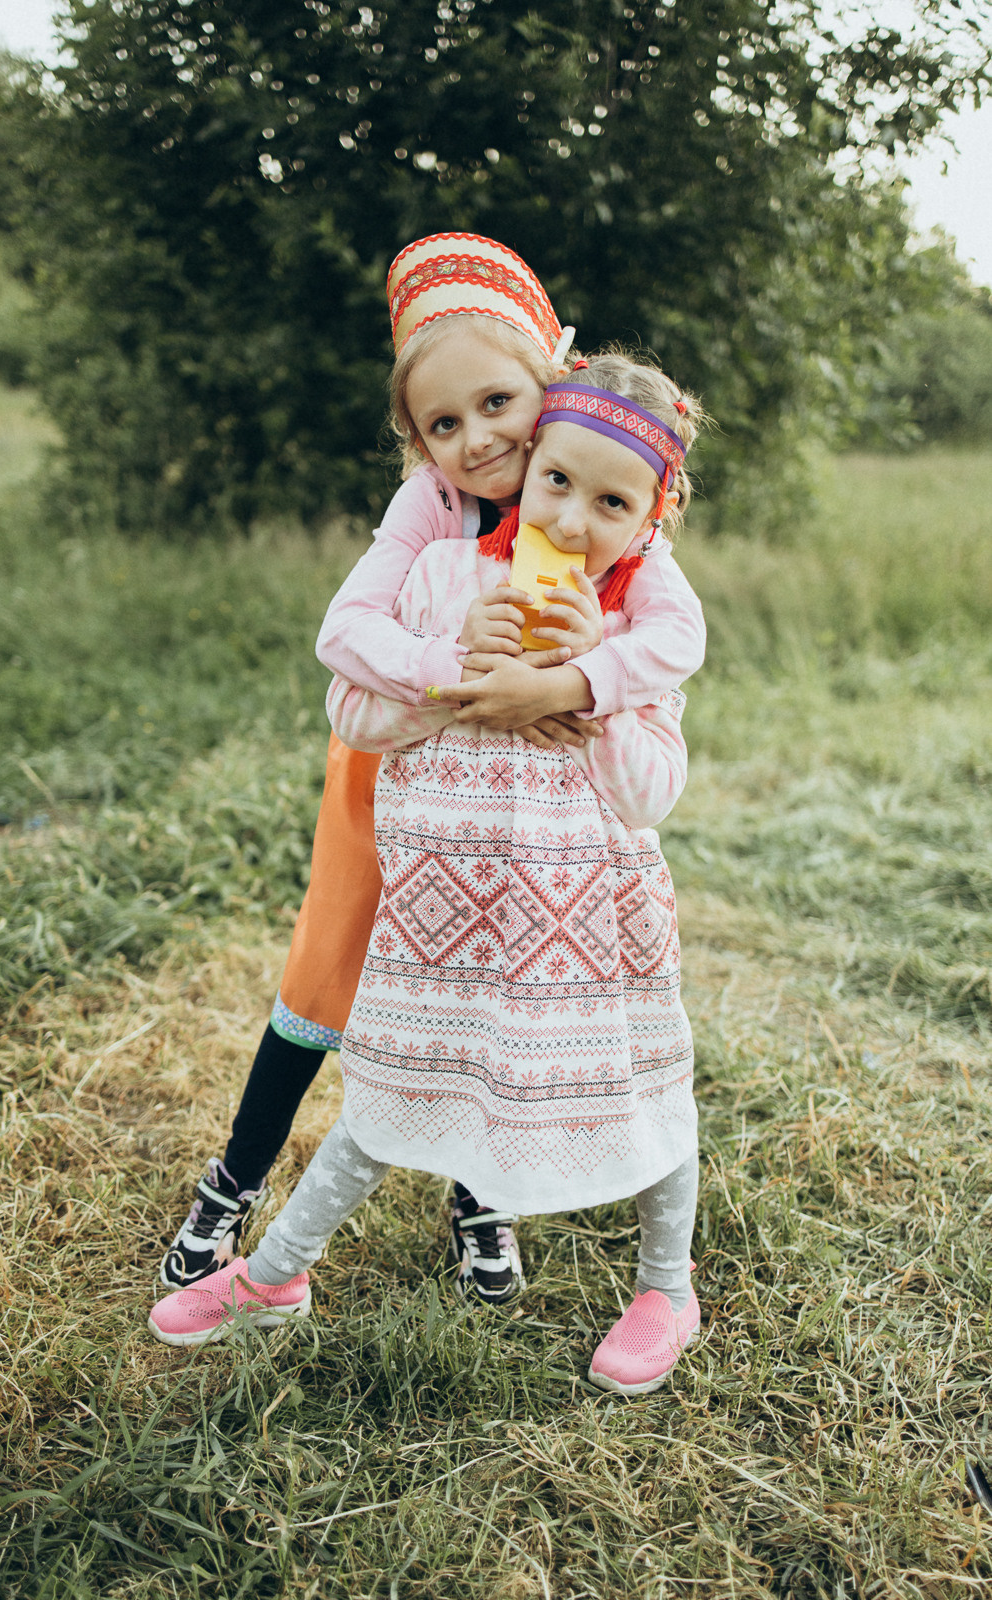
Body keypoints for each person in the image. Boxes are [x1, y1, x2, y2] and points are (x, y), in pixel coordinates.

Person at [150, 351, 706, 1398]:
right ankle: (274, 1275)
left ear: (650, 516)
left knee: (644, 1093)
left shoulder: (635, 627)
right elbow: (354, 713)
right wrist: (457, 668)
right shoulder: (446, 577)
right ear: (529, 464)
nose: (572, 519)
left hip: (587, 923)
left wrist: (577, 692)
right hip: (443, 916)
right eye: (556, 482)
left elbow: (649, 796)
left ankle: (665, 1289)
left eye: (611, 503)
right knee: (387, 1095)